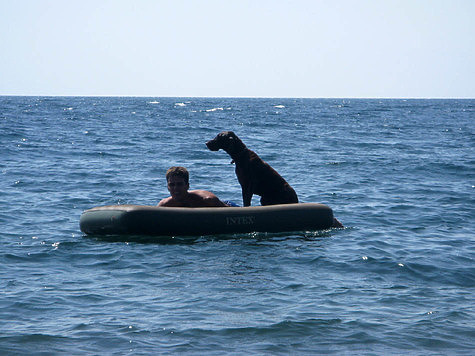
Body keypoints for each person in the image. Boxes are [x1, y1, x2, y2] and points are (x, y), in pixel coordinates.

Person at [158, 166, 229, 207]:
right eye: (172, 185)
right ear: (167, 187)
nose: (175, 188)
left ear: (187, 186)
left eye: (179, 184)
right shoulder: (165, 205)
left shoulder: (207, 200)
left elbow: (229, 211)